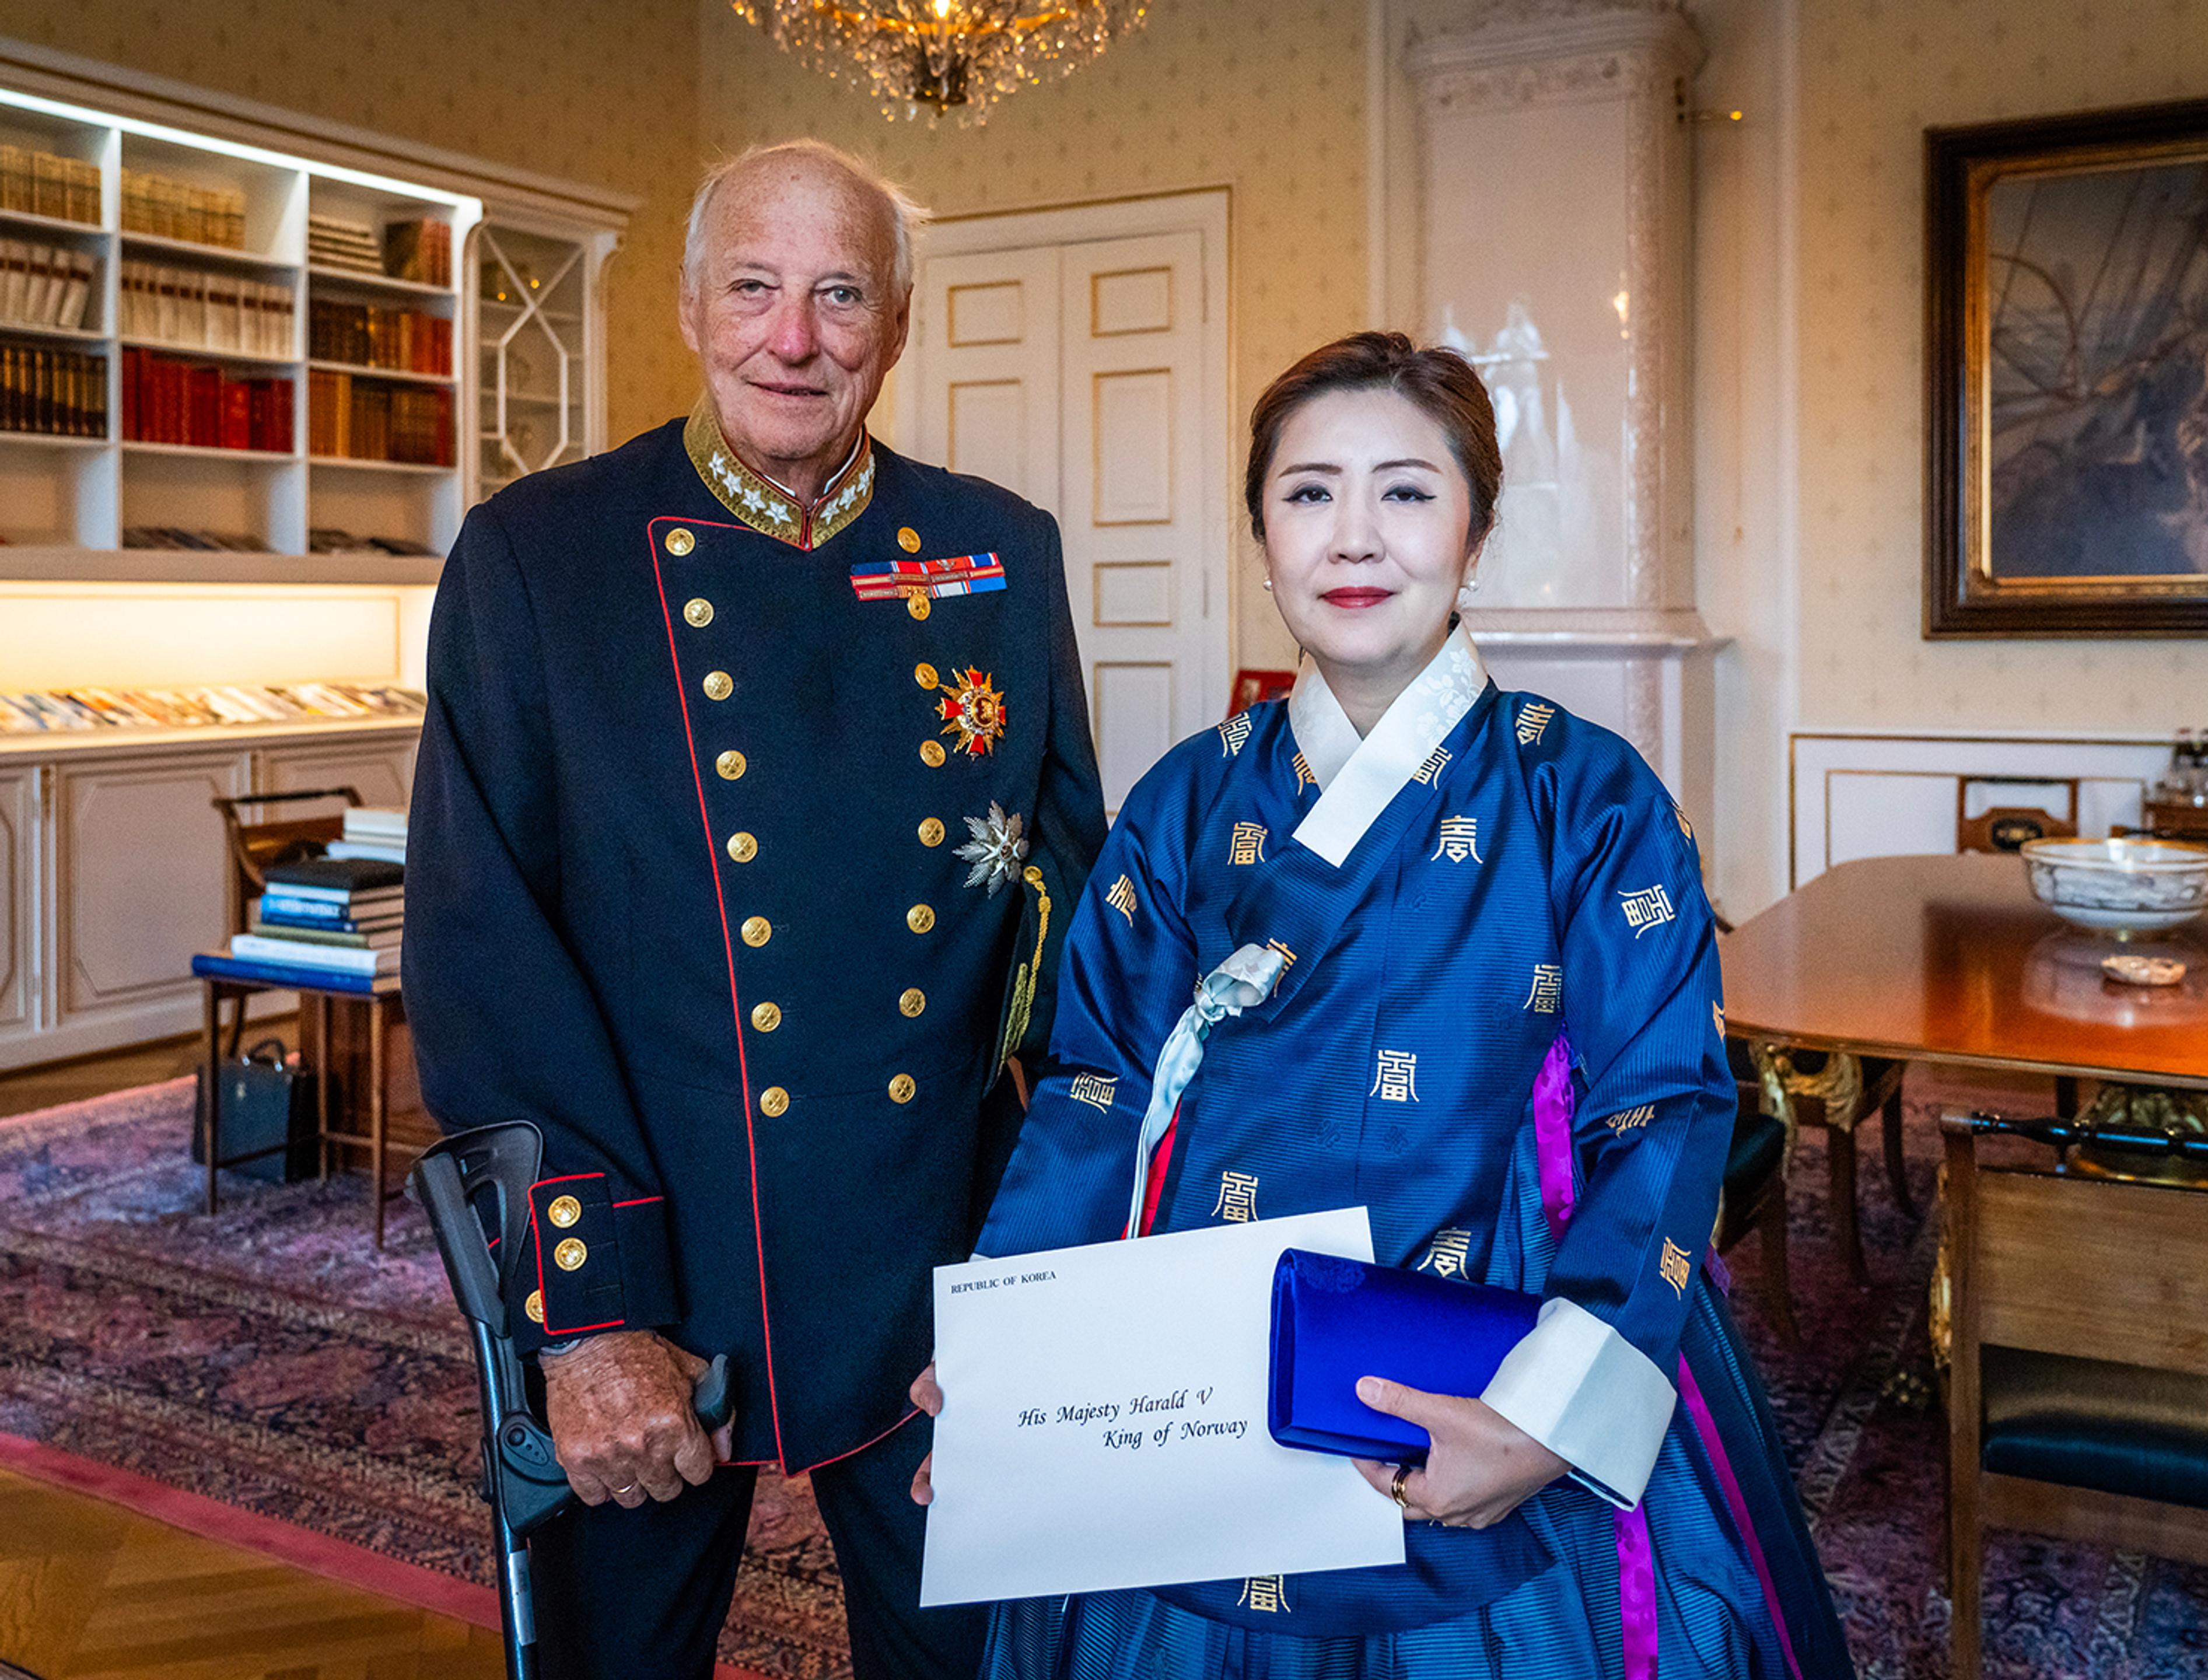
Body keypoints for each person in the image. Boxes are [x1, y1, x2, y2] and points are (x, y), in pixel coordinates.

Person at [912, 332, 1853, 1678]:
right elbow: (1096, 1095)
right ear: (1261, 536)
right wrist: (1013, 1355)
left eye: (1406, 492)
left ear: (1473, 533)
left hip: (1499, 1350)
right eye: (1308, 495)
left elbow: (1666, 1110)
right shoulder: (1185, 802)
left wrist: (1541, 1422)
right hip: (1207, 1389)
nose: (1355, 536)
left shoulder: (1584, 799)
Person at [403, 138, 1105, 1680]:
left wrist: (1054, 1268)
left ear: (897, 326)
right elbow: (482, 955)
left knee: (983, 1661)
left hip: (932, 1257)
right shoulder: (537, 559)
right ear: (688, 304)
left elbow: (1066, 937)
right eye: (756, 288)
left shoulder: (1003, 553)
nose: (795, 338)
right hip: (656, 1265)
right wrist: (590, 1317)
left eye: (840, 293)